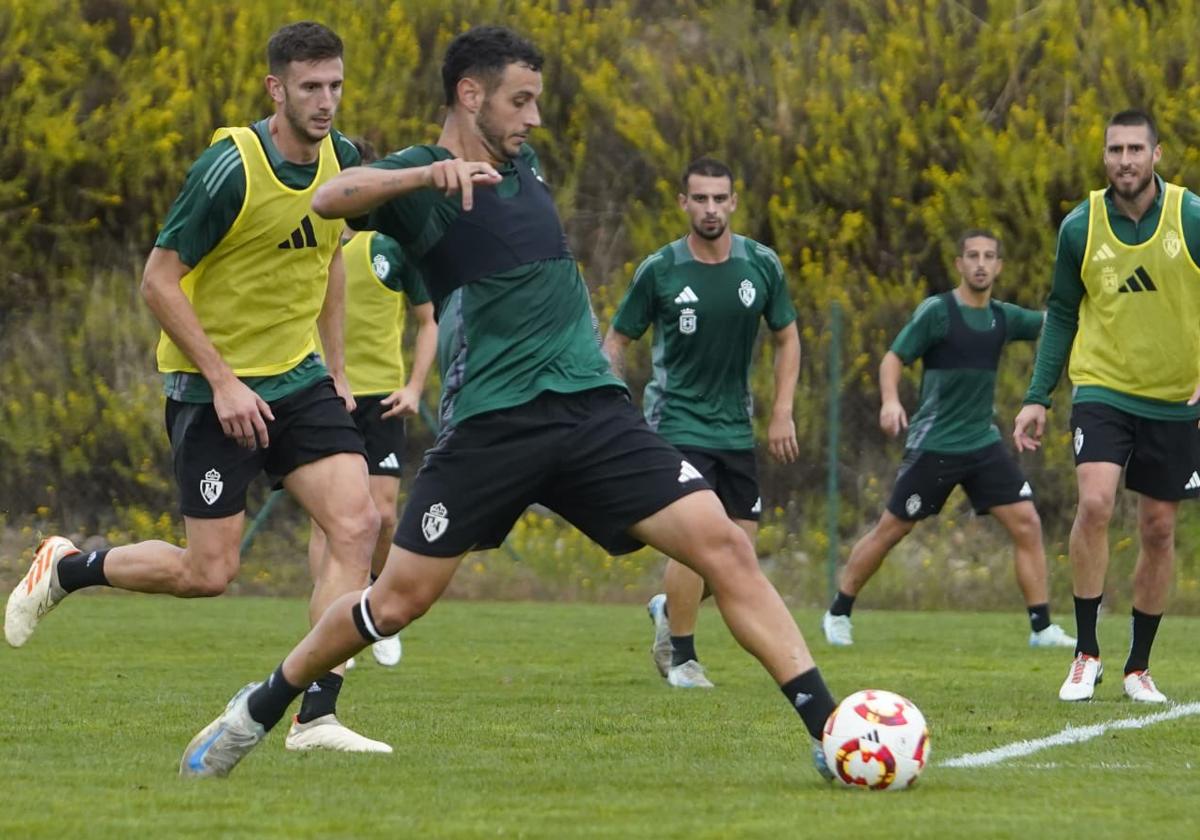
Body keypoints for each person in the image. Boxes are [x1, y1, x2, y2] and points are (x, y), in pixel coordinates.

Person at [177, 24, 839, 780]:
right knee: (392, 605)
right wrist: (423, 179)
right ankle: (258, 709)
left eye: (535, 102)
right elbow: (332, 196)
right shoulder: (426, 176)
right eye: (519, 101)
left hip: (594, 414)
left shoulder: (527, 168)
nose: (532, 118)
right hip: (494, 428)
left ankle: (830, 729)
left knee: (725, 547)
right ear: (470, 95)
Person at [4, 21, 390, 753]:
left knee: (358, 524)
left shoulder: (342, 160)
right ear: (276, 88)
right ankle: (67, 567)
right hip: (212, 388)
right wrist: (223, 383)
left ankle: (315, 713)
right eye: (311, 87)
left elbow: (330, 256)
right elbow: (157, 280)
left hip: (299, 379)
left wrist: (336, 368)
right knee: (208, 572)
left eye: (336, 85)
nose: (326, 101)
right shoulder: (230, 169)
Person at [1014, 109, 1200, 703]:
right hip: (1102, 388)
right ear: (1104, 157)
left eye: (1135, 149)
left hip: (1174, 397)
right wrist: (1037, 396)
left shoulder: (1191, 218)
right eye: (1115, 149)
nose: (1125, 160)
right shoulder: (1080, 227)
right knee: (1094, 504)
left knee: (1159, 528)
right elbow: (1062, 311)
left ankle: (1137, 666)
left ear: (1157, 154)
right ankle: (1086, 654)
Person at [821, 230, 1075, 651]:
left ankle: (1042, 628)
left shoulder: (1003, 317)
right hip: (935, 444)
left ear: (998, 266)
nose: (980, 263)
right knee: (891, 530)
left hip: (983, 443)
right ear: (959, 263)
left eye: (988, 256)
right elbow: (893, 358)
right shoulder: (937, 313)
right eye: (972, 255)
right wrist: (889, 401)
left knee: (1027, 522)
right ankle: (838, 612)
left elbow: (1058, 323)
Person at [602, 157, 801, 689]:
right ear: (683, 203)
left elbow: (787, 336)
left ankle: (669, 608)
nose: (710, 209)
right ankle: (682, 658)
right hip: (677, 424)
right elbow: (618, 339)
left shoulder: (761, 264)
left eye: (720, 199)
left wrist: (782, 410)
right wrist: (613, 394)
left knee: (739, 551)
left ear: (733, 202)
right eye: (701, 199)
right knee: (699, 539)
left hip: (736, 426)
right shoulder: (661, 270)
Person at [308, 138, 437, 669]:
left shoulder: (392, 245)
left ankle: (374, 600)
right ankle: (328, 630)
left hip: (381, 396)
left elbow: (428, 320)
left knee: (382, 515)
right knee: (330, 520)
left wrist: (413, 386)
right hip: (322, 393)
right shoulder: (308, 242)